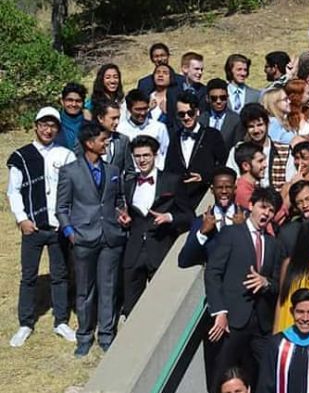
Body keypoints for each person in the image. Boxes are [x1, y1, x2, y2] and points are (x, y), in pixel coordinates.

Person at [7, 107, 78, 347]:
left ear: (58, 129)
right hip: (33, 227)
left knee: (60, 275)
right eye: (44, 125)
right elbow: (13, 190)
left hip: (58, 226)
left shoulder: (66, 155)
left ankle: (60, 320)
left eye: (53, 126)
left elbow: (73, 189)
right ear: (36, 126)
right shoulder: (21, 155)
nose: (48, 130)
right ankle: (26, 323)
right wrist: (22, 218)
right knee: (29, 276)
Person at [56, 122, 129, 356]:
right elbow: (62, 207)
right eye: (102, 140)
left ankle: (106, 334)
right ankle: (84, 336)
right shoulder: (70, 171)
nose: (107, 143)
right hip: (83, 238)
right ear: (89, 143)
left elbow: (118, 201)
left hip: (109, 236)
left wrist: (122, 215)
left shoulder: (113, 170)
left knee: (108, 288)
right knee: (85, 290)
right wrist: (70, 233)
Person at [205, 186, 284, 388]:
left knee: (267, 372)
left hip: (261, 323)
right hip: (233, 319)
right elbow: (213, 272)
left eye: (271, 210)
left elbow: (278, 284)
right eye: (263, 207)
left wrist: (266, 283)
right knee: (223, 370)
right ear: (251, 206)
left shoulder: (273, 244)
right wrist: (220, 312)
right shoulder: (231, 234)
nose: (266, 213)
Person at [122, 135, 192, 317]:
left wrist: (169, 217)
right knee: (131, 307)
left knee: (162, 307)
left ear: (155, 155)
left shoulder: (171, 181)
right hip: (134, 251)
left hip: (160, 248)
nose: (142, 160)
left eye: (146, 155)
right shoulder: (128, 183)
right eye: (137, 156)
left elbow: (189, 216)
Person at [164, 91, 228, 201]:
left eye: (190, 113)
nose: (186, 117)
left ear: (197, 112)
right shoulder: (175, 137)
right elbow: (169, 168)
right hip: (181, 198)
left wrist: (204, 177)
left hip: (206, 196)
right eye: (182, 114)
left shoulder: (212, 135)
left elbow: (223, 165)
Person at [178, 168, 242, 268]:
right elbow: (184, 261)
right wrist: (202, 233)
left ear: (235, 188)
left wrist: (244, 230)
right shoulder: (201, 221)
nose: (224, 191)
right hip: (214, 281)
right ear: (212, 190)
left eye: (228, 187)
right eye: (219, 187)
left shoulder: (247, 217)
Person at [117, 89, 171, 167]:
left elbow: (165, 153)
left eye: (145, 108)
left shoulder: (159, 127)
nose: (142, 113)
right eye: (138, 109)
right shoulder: (120, 129)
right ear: (129, 109)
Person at [200, 79, 246, 151]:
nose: (218, 101)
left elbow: (238, 148)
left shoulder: (236, 120)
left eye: (222, 98)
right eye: (214, 98)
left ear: (227, 97)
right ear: (207, 98)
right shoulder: (201, 119)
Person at [54, 82, 86, 150]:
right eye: (70, 100)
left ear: (83, 103)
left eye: (78, 101)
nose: (74, 104)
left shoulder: (90, 124)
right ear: (62, 101)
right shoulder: (54, 122)